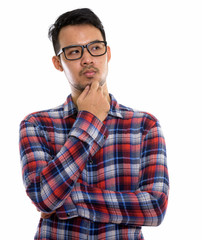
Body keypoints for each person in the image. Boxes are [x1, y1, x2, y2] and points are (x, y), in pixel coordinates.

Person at [19, 8, 169, 240]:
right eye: (74, 52)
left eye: (95, 48)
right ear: (58, 63)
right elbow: (44, 197)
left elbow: (155, 208)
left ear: (107, 53)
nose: (87, 58)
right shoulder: (37, 125)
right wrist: (90, 120)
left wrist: (66, 201)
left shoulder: (144, 126)